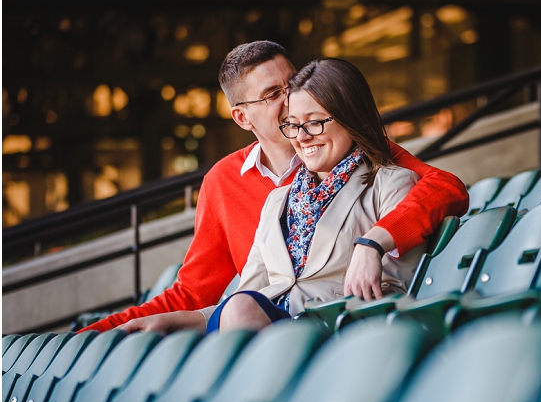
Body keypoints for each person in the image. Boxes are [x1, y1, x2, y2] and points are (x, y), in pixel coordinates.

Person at [85, 41, 467, 333]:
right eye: (272, 95)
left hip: (340, 328)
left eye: (292, 84)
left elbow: (444, 188)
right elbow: (195, 292)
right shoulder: (229, 183)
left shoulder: (366, 155)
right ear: (241, 117)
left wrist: (374, 241)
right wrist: (94, 335)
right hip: (264, 326)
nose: (289, 101)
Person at [199, 58, 422, 332]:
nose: (302, 137)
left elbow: (395, 290)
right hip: (268, 332)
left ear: (349, 116)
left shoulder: (392, 184)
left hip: (334, 331)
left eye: (314, 123)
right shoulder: (277, 201)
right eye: (292, 125)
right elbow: (247, 293)